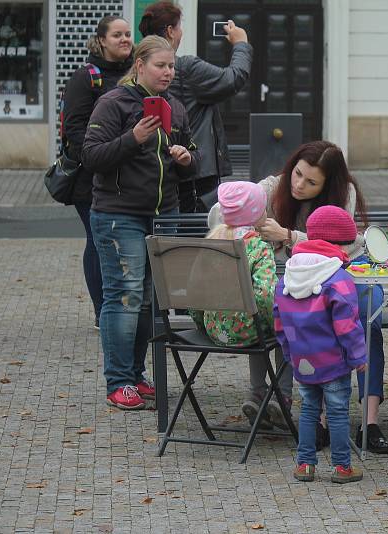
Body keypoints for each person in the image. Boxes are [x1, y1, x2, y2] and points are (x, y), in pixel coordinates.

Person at [82, 35, 198, 410]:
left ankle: (136, 375)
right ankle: (118, 382)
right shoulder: (112, 103)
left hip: (165, 214)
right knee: (125, 295)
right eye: (161, 66)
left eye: (171, 66)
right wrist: (133, 138)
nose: (168, 72)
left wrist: (185, 157)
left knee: (150, 300)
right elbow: (92, 157)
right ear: (140, 66)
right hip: (120, 214)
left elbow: (190, 157)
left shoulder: (174, 107)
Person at [256, 140, 388, 454]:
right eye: (298, 174)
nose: (299, 184)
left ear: (327, 184)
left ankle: (370, 422)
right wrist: (236, 208)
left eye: (311, 182)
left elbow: (340, 245)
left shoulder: (344, 192)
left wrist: (288, 236)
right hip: (307, 275)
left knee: (368, 320)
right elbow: (227, 206)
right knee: (309, 323)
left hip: (351, 267)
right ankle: (316, 419)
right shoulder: (278, 184)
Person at [273, 206, 367, 484]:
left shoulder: (287, 277)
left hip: (303, 359)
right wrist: (358, 357)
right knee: (337, 411)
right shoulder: (340, 280)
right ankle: (341, 467)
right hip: (334, 360)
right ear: (340, 245)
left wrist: (290, 353)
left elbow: (279, 323)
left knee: (309, 410)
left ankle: (305, 464)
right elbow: (348, 326)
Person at [189, 181, 291, 429]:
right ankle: (283, 395)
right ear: (256, 215)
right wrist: (274, 321)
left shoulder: (213, 240)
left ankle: (256, 392)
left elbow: (195, 291)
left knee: (258, 326)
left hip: (215, 331)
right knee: (285, 329)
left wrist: (202, 323)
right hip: (248, 331)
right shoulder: (258, 247)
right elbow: (266, 296)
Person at [139, 1, 252, 213]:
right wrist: (241, 44)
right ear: (171, 31)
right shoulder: (186, 68)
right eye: (179, 27)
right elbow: (233, 78)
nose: (167, 73)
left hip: (153, 167)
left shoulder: (137, 68)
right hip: (192, 170)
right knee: (193, 236)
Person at [62, 15, 134, 329]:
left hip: (128, 177)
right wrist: (99, 158)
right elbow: (74, 130)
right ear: (102, 40)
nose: (125, 39)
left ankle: (122, 307)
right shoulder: (85, 78)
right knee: (97, 240)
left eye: (128, 34)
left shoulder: (135, 75)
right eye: (117, 35)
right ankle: (102, 310)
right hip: (89, 179)